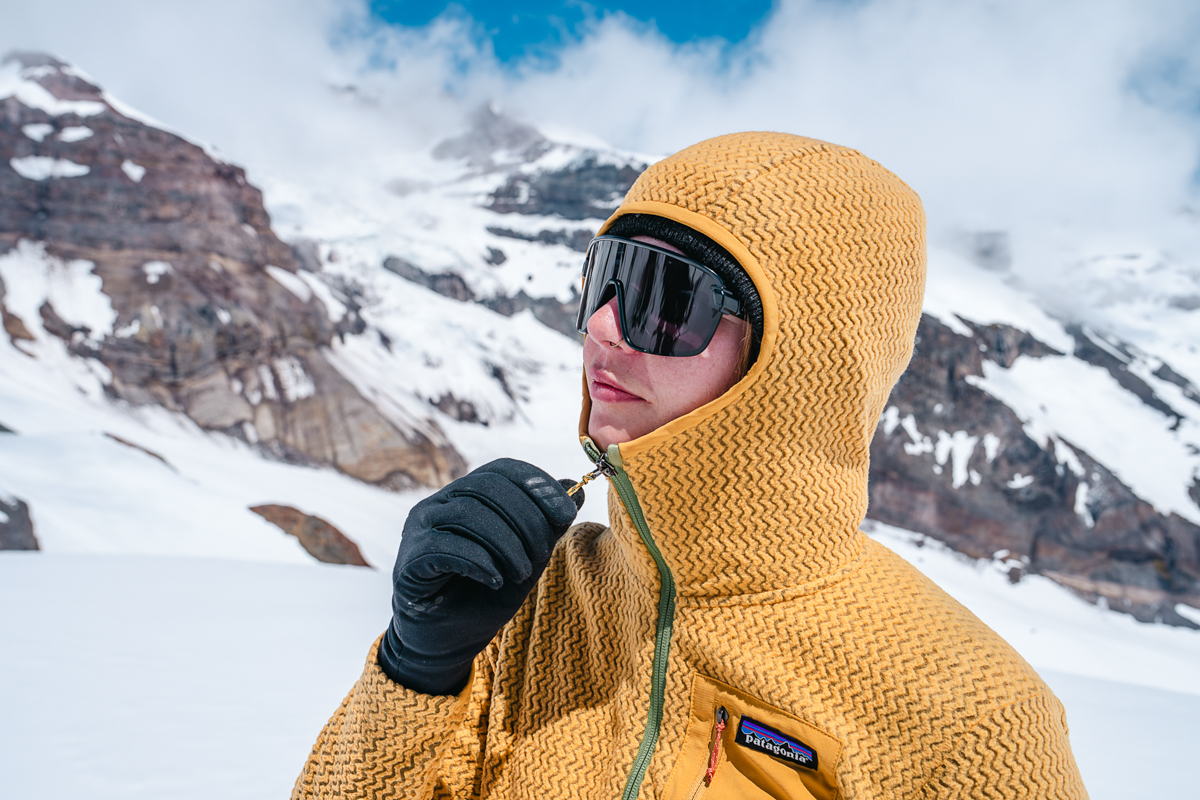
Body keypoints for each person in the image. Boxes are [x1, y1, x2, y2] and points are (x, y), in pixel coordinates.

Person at [293, 132, 1087, 799]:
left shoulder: (978, 722)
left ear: (797, 365)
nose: (602, 327)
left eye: (664, 296)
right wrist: (416, 670)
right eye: (605, 276)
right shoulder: (530, 595)